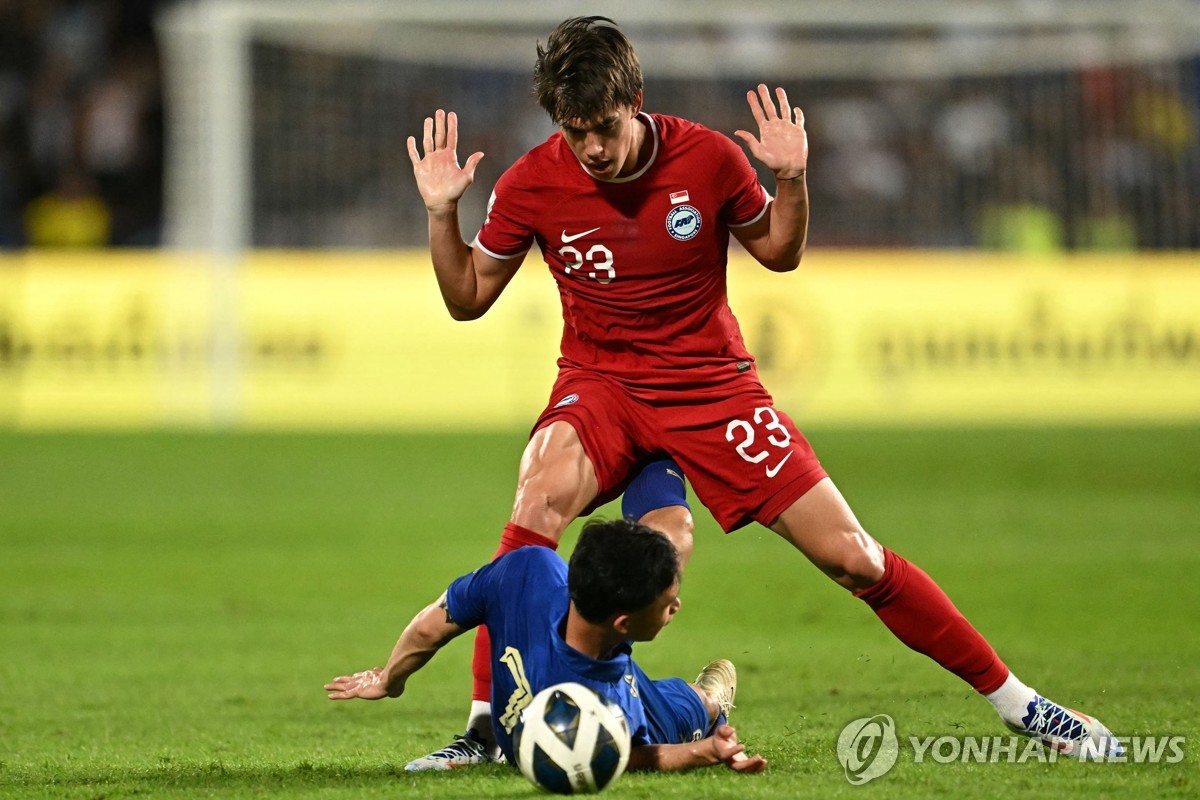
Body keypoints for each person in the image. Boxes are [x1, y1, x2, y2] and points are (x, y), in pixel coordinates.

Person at [404, 16, 1121, 768]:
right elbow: (467, 296)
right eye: (574, 131)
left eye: (604, 128)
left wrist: (792, 177)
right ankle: (487, 729)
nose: (591, 149)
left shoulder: (707, 158)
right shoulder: (532, 181)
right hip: (601, 384)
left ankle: (1025, 707)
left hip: (710, 388)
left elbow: (779, 251)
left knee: (854, 559)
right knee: (533, 509)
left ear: (635, 99)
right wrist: (441, 211)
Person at [325, 517, 766, 775]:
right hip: (642, 708)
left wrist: (390, 678)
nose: (676, 607)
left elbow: (431, 627)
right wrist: (704, 750)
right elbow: (630, 757)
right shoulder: (600, 702)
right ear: (624, 623)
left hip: (600, 681)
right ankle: (710, 702)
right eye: (667, 603)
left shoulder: (528, 568)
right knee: (696, 706)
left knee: (685, 699)